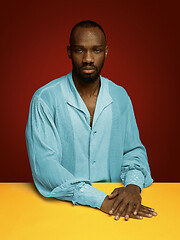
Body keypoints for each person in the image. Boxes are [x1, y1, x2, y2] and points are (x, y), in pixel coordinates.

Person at [25, 20, 157, 221]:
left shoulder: (120, 96)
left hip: (117, 210)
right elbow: (44, 165)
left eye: (95, 50)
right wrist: (100, 200)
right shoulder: (45, 99)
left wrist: (133, 187)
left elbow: (133, 151)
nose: (88, 58)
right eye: (80, 50)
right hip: (64, 209)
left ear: (106, 51)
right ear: (69, 52)